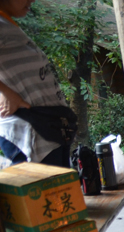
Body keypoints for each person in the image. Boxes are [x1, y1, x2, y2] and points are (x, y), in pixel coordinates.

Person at [0, 0, 75, 168]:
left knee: (61, 192)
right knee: (44, 192)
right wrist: (6, 93)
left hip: (48, 129)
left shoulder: (7, 24)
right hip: (30, 133)